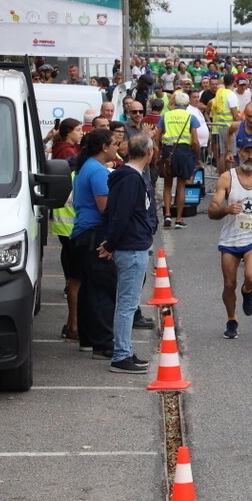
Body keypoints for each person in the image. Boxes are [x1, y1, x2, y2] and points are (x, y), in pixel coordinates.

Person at [101, 132, 158, 374]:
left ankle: (125, 351)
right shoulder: (132, 179)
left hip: (131, 245)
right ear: (149, 152)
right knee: (127, 305)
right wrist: (111, 244)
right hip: (132, 247)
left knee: (127, 303)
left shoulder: (126, 177)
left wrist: (111, 242)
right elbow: (121, 215)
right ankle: (122, 354)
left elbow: (115, 212)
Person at [208, 138, 252, 340]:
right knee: (229, 284)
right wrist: (226, 209)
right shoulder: (227, 178)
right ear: (239, 153)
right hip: (230, 239)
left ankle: (247, 291)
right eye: (247, 151)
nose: (250, 156)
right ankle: (231, 319)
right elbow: (212, 211)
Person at [70, 129, 119, 359]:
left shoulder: (86, 167)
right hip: (94, 234)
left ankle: (88, 339)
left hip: (83, 233)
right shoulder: (98, 171)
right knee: (102, 288)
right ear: (104, 147)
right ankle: (103, 343)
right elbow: (104, 208)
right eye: (114, 143)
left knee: (89, 288)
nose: (117, 147)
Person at [159, 91, 203, 228]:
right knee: (181, 186)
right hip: (184, 152)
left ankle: (167, 215)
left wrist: (160, 150)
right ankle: (178, 219)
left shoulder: (165, 116)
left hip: (168, 151)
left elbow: (157, 136)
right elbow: (195, 141)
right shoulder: (191, 117)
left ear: (174, 103)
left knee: (167, 185)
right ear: (187, 104)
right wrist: (197, 156)